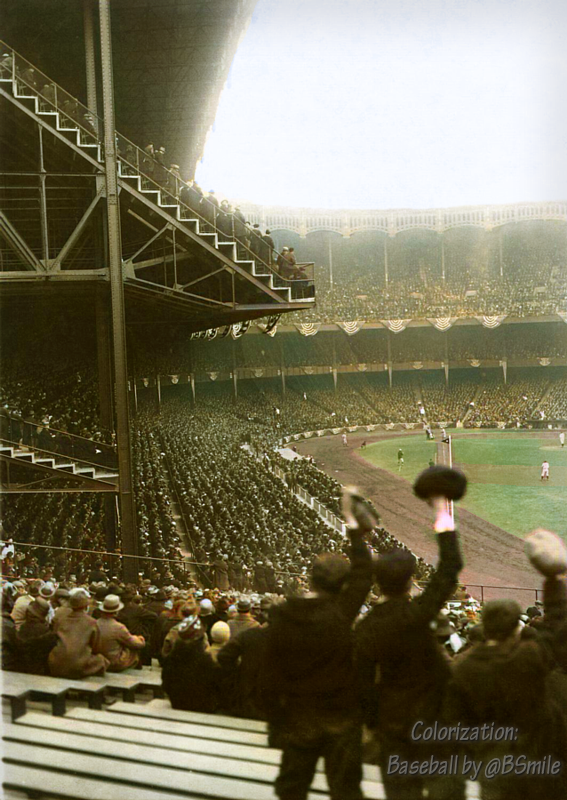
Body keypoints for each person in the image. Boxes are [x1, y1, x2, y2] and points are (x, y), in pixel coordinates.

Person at [355, 467, 466, 800]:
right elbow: (449, 570)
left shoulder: (365, 628)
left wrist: (376, 722)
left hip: (394, 727)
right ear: (408, 583)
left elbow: (362, 687)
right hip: (434, 724)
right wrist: (441, 512)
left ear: (378, 584)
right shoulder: (416, 614)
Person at [261, 491, 374, 800]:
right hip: (340, 718)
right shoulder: (341, 611)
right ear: (342, 585)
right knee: (346, 791)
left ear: (310, 580)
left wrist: (275, 721)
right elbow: (365, 571)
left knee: (292, 788)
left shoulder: (281, 614)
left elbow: (268, 673)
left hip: (297, 717)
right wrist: (352, 525)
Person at [445, 529, 567, 800]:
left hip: (494, 770)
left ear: (485, 628)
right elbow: (556, 628)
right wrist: (554, 577)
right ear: (516, 630)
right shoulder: (526, 659)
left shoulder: (461, 668)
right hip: (538, 767)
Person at [161, 615, 221, 712]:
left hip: (177, 704)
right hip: (204, 709)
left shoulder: (171, 658)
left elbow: (165, 684)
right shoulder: (206, 661)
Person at [49, 589, 109, 678]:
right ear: (85, 606)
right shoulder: (91, 622)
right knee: (102, 660)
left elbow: (53, 638)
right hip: (77, 664)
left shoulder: (61, 620)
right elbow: (96, 647)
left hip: (56, 662)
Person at [96, 594, 145, 671]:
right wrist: (140, 639)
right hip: (113, 663)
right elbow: (134, 643)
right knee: (134, 651)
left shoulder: (95, 623)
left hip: (98, 661)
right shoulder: (118, 627)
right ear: (116, 612)